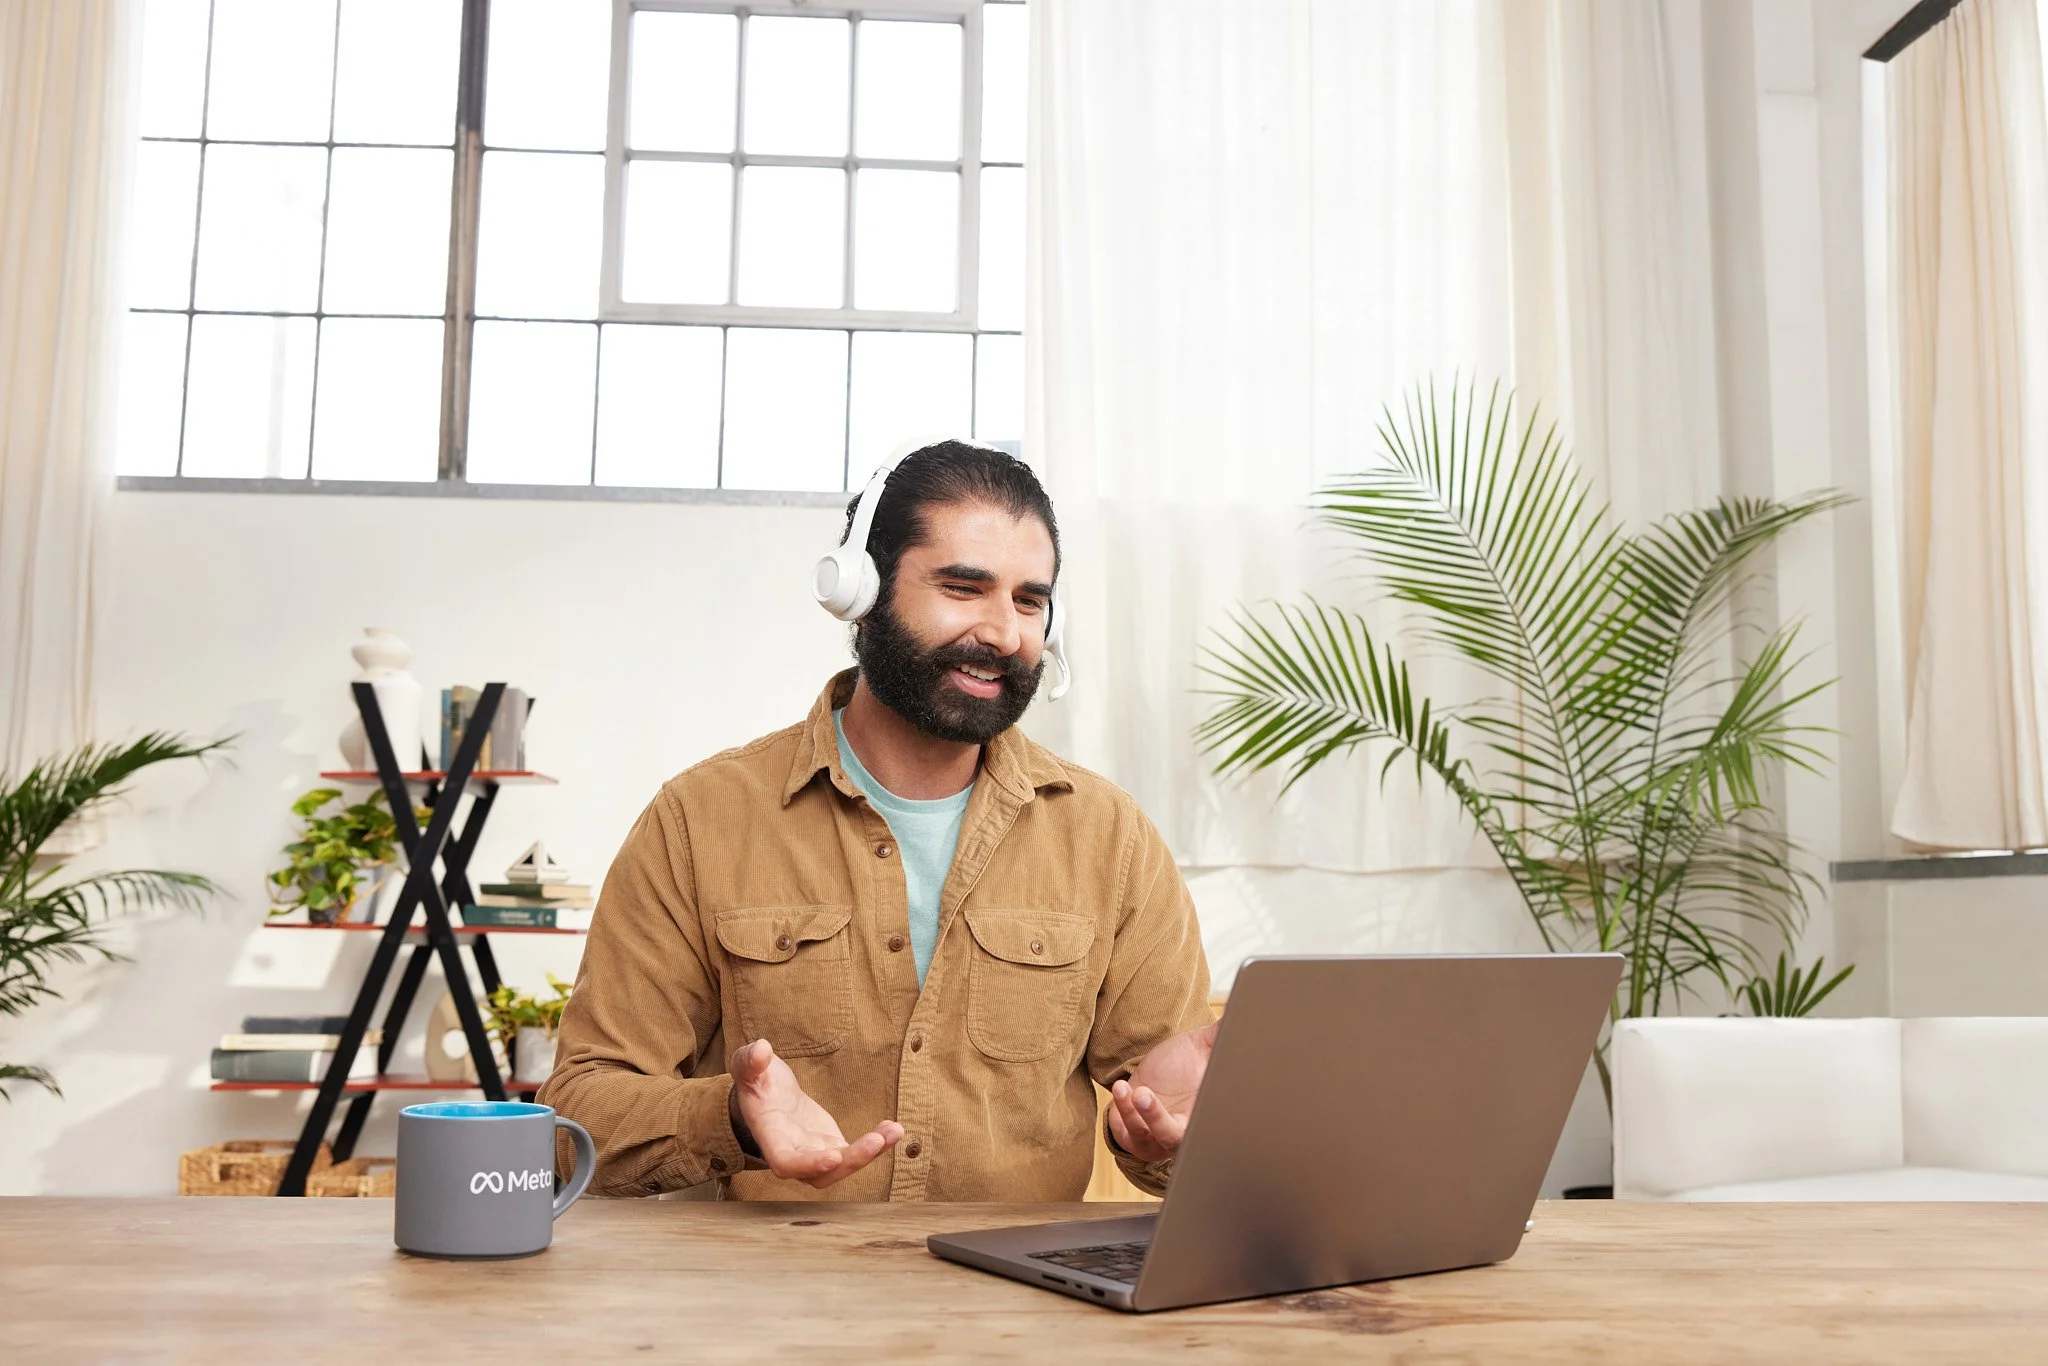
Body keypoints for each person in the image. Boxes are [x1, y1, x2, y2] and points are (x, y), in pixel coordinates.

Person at [540, 440, 1215, 1200]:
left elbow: (1175, 1133)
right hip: (776, 1303)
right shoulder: (700, 821)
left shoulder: (1110, 840)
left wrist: (1170, 1135)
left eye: (1029, 600)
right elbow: (577, 1113)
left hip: (1020, 1312)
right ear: (860, 592)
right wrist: (730, 1117)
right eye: (964, 587)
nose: (1004, 632)